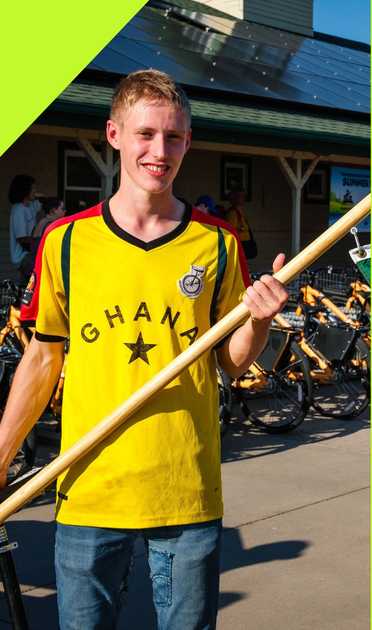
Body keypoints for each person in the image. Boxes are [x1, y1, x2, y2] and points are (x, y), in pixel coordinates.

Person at [0, 69, 289, 629]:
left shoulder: (217, 243)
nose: (161, 151)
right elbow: (42, 358)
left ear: (188, 141)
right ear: (114, 134)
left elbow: (229, 362)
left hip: (186, 490)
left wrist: (259, 323)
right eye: (146, 134)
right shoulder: (66, 241)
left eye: (175, 136)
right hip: (89, 488)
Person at [19, 197, 66, 281]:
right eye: (62, 208)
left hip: (29, 266)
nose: (65, 211)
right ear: (53, 210)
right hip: (37, 269)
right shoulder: (50, 226)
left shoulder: (40, 222)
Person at [8, 174, 39, 285]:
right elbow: (22, 239)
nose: (35, 191)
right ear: (25, 190)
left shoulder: (30, 206)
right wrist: (39, 243)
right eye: (33, 188)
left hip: (28, 256)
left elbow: (45, 202)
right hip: (22, 259)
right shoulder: (18, 210)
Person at [223, 189, 256, 259]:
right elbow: (231, 231)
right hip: (240, 243)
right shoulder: (232, 213)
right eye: (240, 196)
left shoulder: (240, 211)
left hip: (245, 242)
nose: (243, 199)